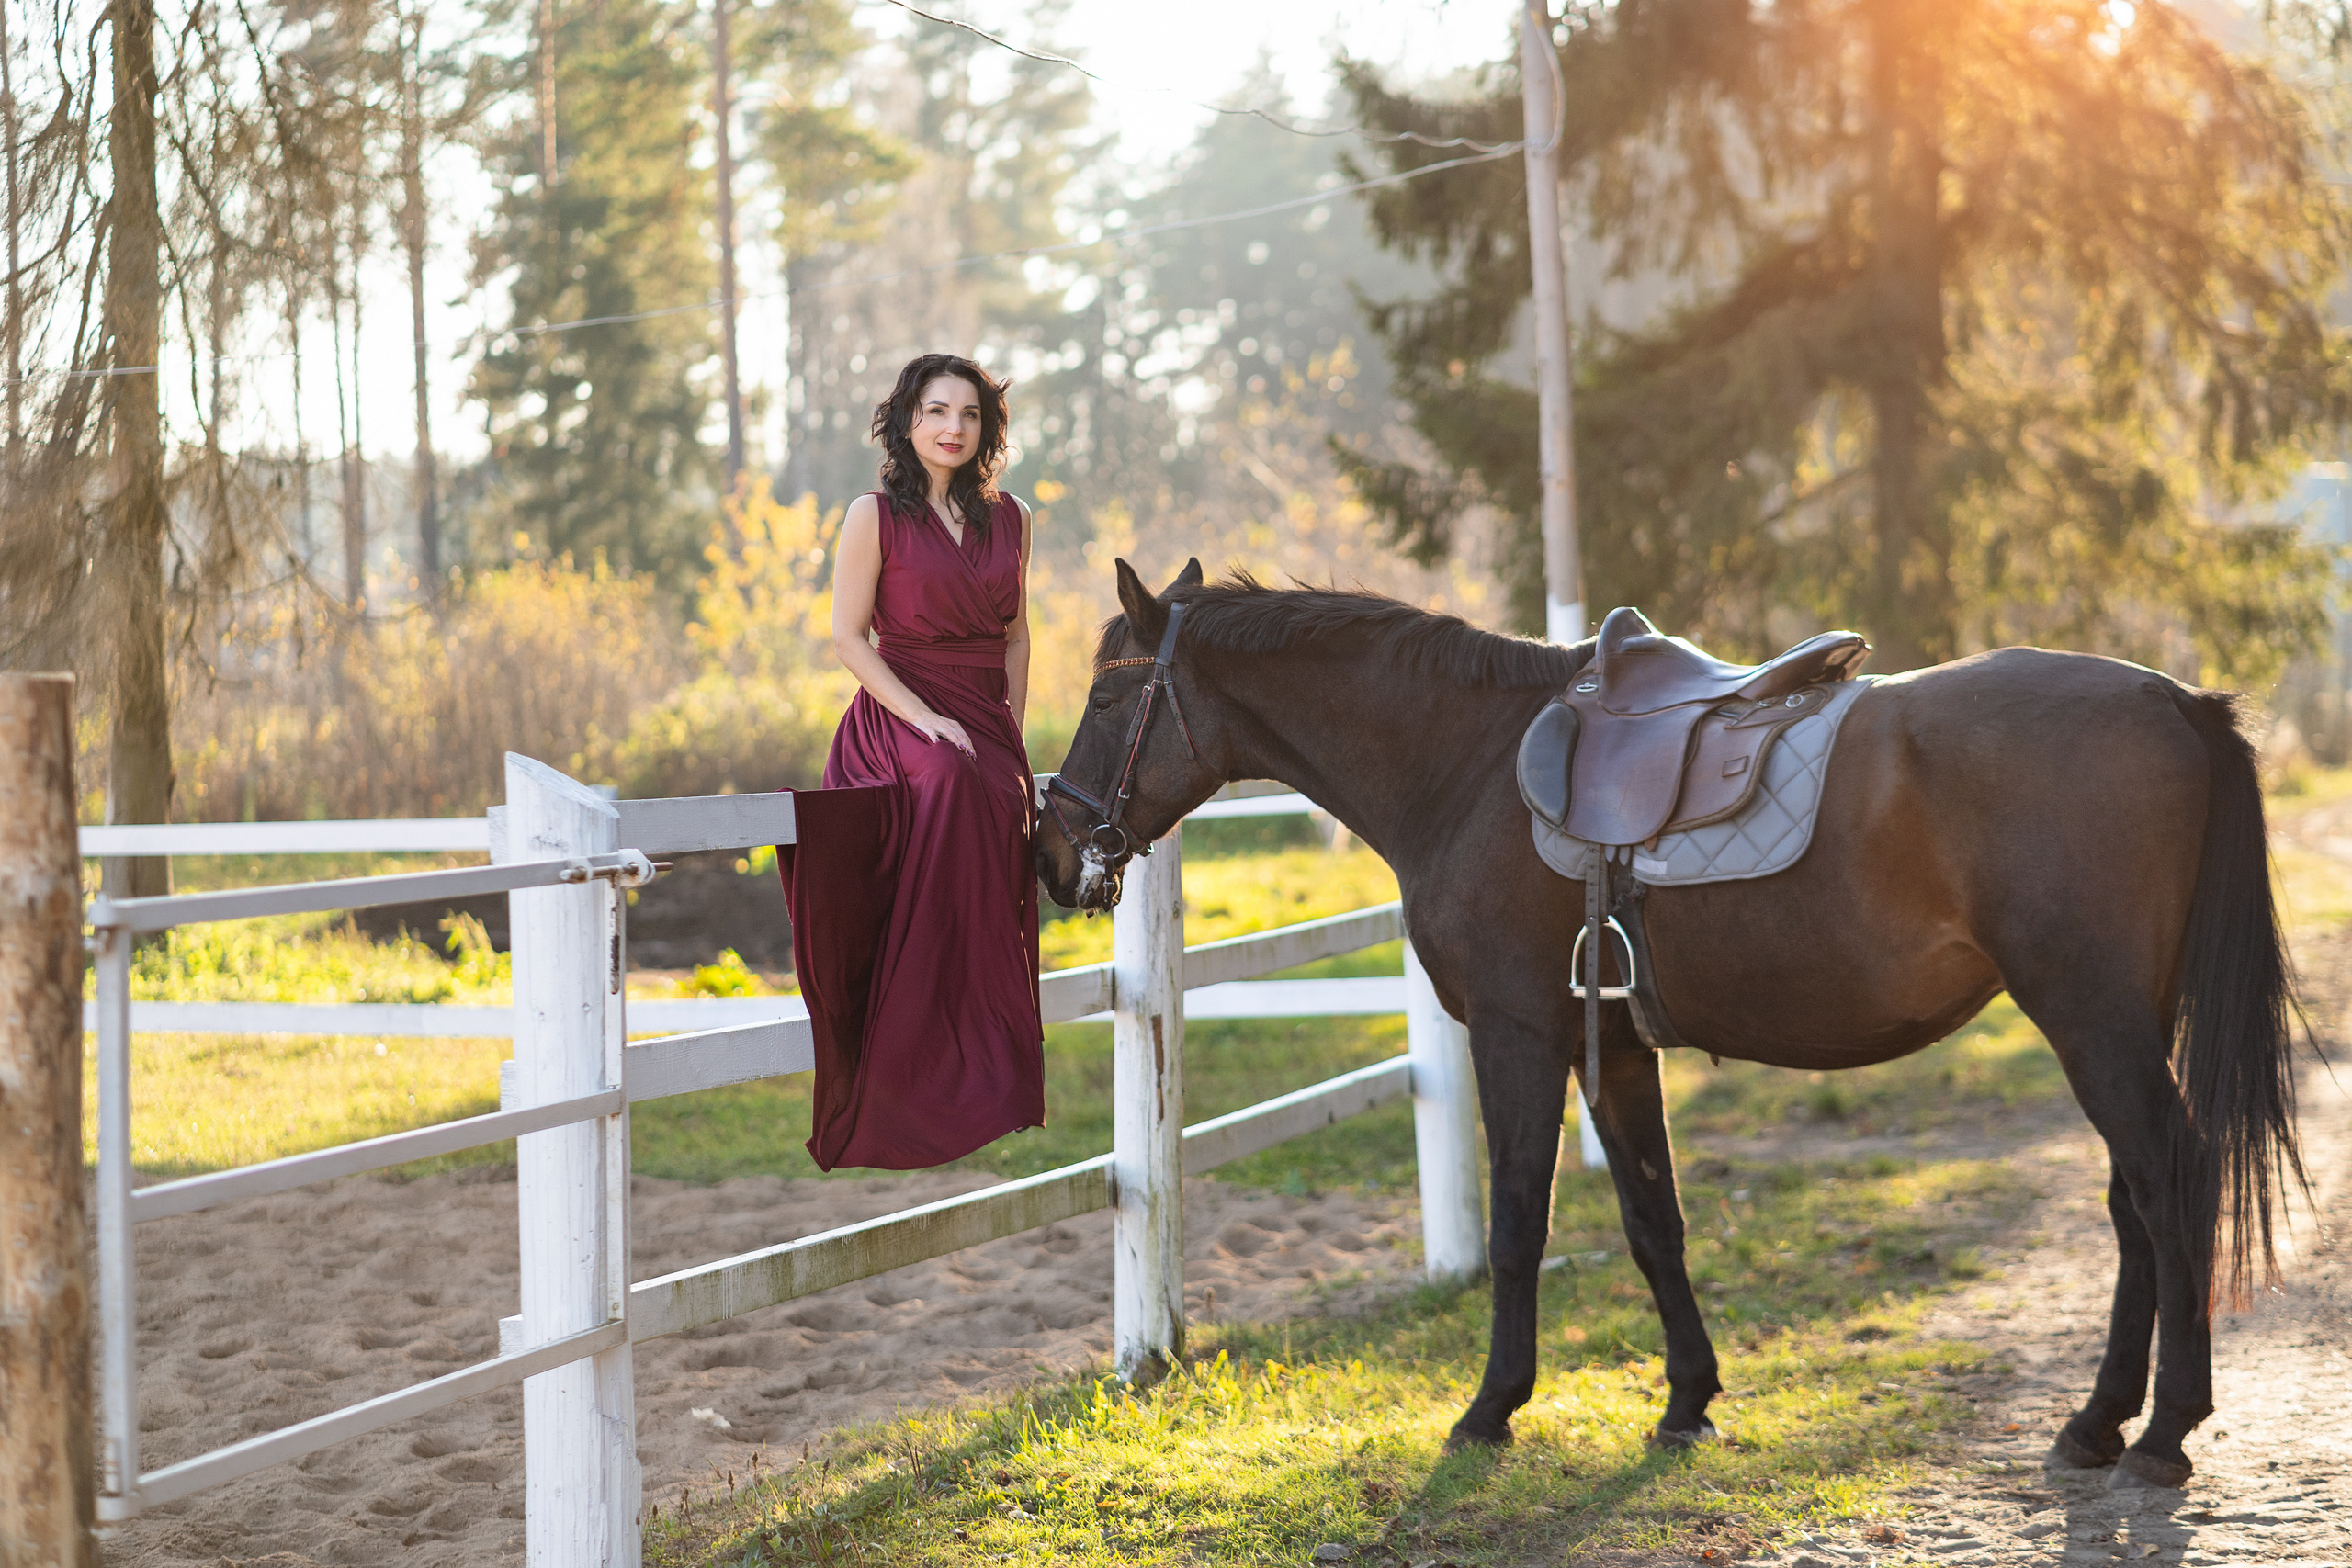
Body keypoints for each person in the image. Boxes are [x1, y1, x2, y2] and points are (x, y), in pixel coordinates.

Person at [777, 353, 1045, 1170]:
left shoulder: (1014, 518)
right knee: (951, 780)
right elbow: (847, 637)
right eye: (936, 411)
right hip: (902, 712)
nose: (953, 428)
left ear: (987, 428)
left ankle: (988, 1062)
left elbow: (1017, 636)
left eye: (970, 414)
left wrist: (1011, 732)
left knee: (1000, 793)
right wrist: (925, 718)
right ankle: (912, 1051)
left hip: (984, 716)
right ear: (907, 421)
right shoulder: (873, 515)